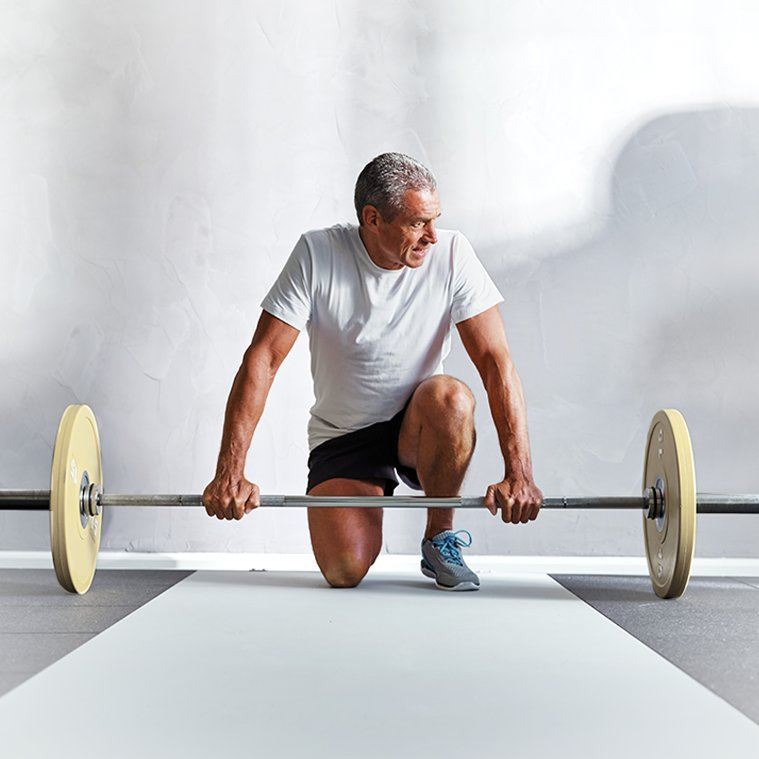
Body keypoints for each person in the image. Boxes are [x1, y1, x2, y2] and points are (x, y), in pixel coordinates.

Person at [202, 152, 543, 591]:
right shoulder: (318, 253)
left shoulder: (453, 253)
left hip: (419, 428)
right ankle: (367, 494)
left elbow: (496, 364)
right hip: (345, 436)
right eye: (418, 223)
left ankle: (439, 535)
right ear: (373, 218)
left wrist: (520, 473)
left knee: (452, 397)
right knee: (344, 572)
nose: (432, 236)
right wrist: (230, 470)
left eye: (435, 220)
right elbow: (263, 358)